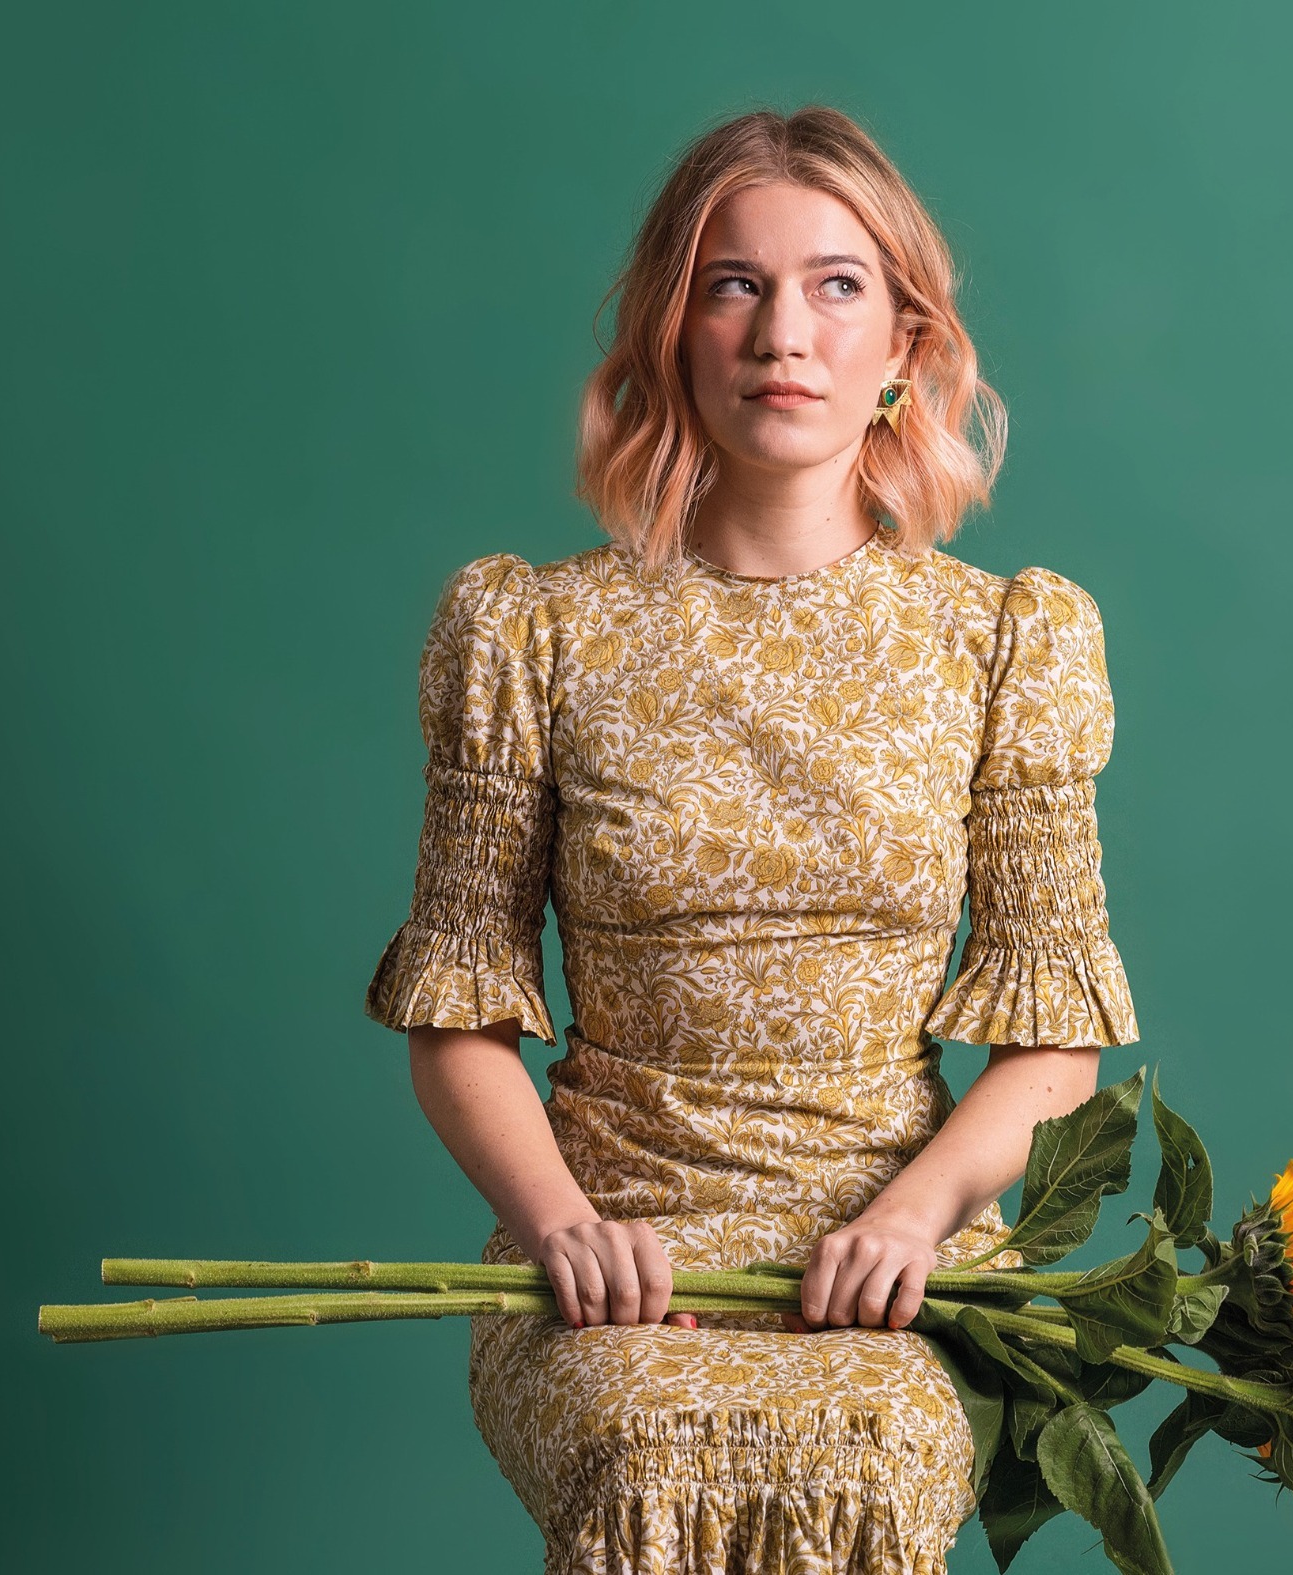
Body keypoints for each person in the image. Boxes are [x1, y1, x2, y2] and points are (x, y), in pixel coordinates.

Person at [364, 105, 1138, 1575]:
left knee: (874, 1459)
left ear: (907, 348)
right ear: (673, 331)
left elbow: (1055, 1045)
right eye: (735, 284)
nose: (785, 330)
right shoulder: (535, 630)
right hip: (614, 1253)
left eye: (838, 286)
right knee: (650, 1449)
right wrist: (555, 1226)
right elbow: (457, 1010)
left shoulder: (1003, 642)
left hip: (895, 1270)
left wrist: (912, 1221)